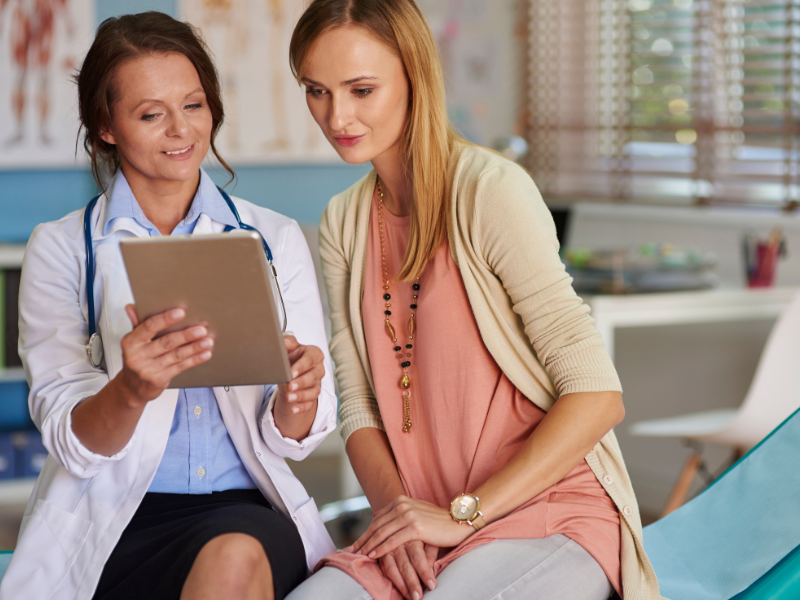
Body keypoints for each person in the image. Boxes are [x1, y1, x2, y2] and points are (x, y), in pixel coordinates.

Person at [285, 1, 661, 599]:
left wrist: (464, 514)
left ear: (414, 74)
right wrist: (402, 521)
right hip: (422, 519)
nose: (338, 116)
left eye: (361, 89)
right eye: (317, 91)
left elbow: (597, 394)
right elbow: (358, 403)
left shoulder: (490, 190)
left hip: (547, 509)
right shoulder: (344, 221)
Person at [0, 12, 337, 600]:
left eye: (195, 105)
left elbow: (295, 439)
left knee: (233, 558)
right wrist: (131, 386)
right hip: (108, 519)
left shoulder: (274, 239)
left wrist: (300, 395)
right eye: (151, 114)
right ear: (106, 127)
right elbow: (71, 440)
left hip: (246, 511)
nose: (181, 131)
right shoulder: (62, 249)